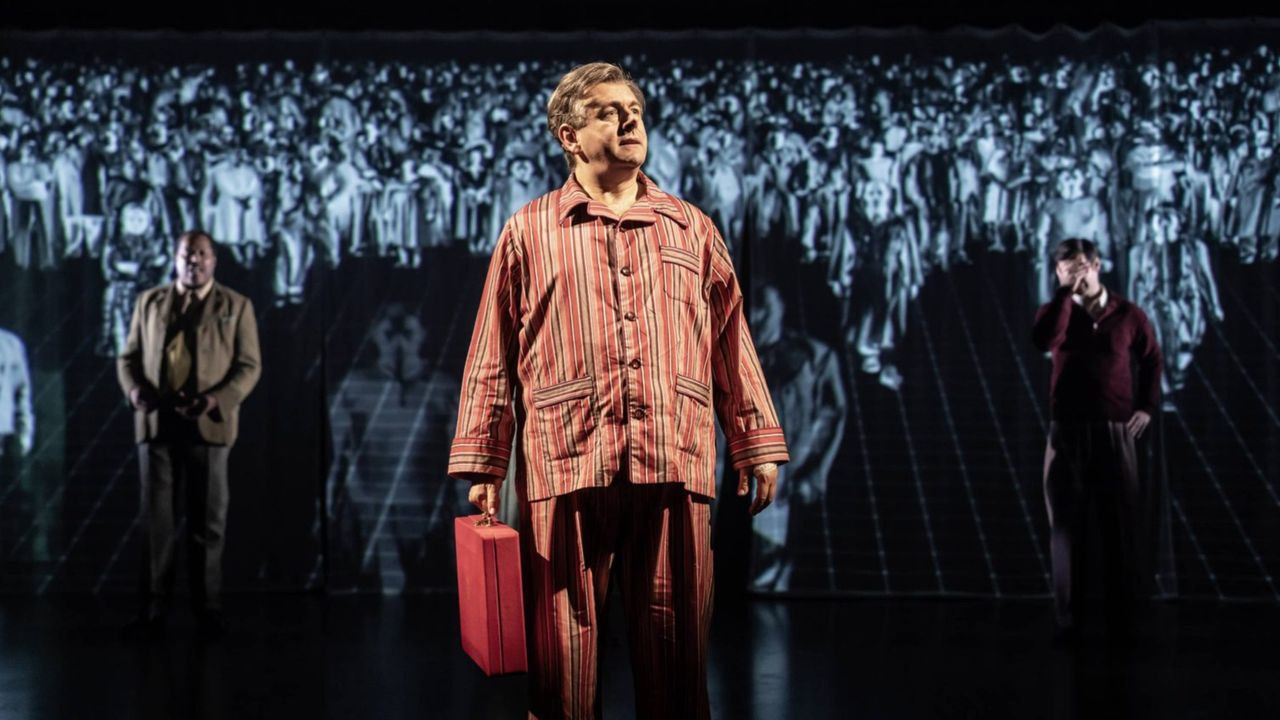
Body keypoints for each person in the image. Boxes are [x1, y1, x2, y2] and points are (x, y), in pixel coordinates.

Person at [447, 62, 789, 719]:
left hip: (675, 457)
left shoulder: (692, 228)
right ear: (569, 136)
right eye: (608, 111)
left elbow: (730, 340)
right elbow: (493, 351)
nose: (631, 119)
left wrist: (756, 442)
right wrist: (486, 464)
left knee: (677, 655)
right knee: (560, 669)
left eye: (633, 107)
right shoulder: (530, 230)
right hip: (563, 464)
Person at [116, 229, 261, 638]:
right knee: (155, 521)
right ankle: (152, 609)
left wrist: (216, 400)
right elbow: (127, 357)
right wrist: (133, 389)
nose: (193, 261)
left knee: (207, 523)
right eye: (186, 254)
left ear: (213, 260)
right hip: (157, 425)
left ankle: (207, 609)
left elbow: (249, 366)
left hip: (208, 426)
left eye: (201, 254)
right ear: (175, 258)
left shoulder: (236, 305)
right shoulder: (150, 302)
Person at [1031, 238, 1162, 638]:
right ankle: (1067, 615)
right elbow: (1043, 342)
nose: (1075, 273)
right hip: (1067, 429)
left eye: (1081, 265)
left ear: (1098, 265)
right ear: (1057, 272)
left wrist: (1145, 407)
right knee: (1064, 524)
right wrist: (1064, 300)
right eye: (1065, 268)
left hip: (1115, 429)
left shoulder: (1127, 314)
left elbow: (1152, 358)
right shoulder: (1055, 311)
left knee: (1120, 522)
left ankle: (1124, 613)